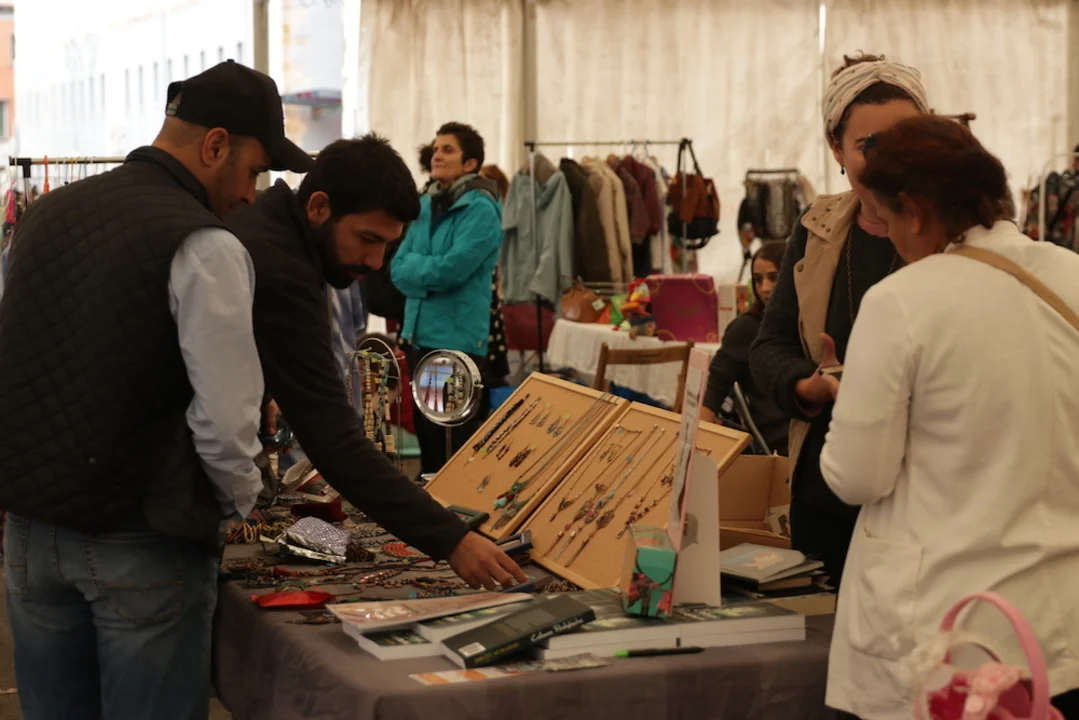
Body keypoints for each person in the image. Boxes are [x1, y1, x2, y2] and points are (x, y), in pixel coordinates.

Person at [0, 61, 312, 720]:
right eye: (255, 171)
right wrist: (244, 505)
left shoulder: (47, 214)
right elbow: (224, 419)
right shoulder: (203, 242)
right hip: (140, 536)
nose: (252, 195)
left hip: (31, 532)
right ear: (216, 145)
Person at [820, 115, 1079, 720]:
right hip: (1063, 617)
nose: (889, 236)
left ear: (914, 211)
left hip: (948, 630)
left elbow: (857, 476)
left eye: (886, 218)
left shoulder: (902, 300)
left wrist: (847, 399)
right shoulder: (1071, 273)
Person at [223, 134, 526, 590]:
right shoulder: (281, 266)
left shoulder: (273, 228)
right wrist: (453, 541)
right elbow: (332, 438)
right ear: (319, 207)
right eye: (367, 239)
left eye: (388, 245)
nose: (374, 261)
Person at [749, 53, 929, 589]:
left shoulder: (959, 235)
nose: (892, 162)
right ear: (837, 149)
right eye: (870, 145)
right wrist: (804, 385)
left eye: (907, 140)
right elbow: (769, 345)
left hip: (924, 495)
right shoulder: (818, 228)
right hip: (827, 491)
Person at [391, 122, 503, 473]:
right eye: (436, 148)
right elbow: (396, 268)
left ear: (470, 163)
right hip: (420, 337)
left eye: (448, 149)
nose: (437, 155)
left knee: (452, 447)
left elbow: (452, 271)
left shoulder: (481, 210)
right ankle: (428, 507)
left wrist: (419, 271)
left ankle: (453, 508)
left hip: (456, 343)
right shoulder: (425, 203)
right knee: (428, 440)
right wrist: (428, 272)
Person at [700, 240, 789, 454]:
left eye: (774, 278)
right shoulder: (746, 327)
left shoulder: (808, 322)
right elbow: (715, 387)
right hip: (782, 439)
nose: (764, 288)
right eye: (758, 280)